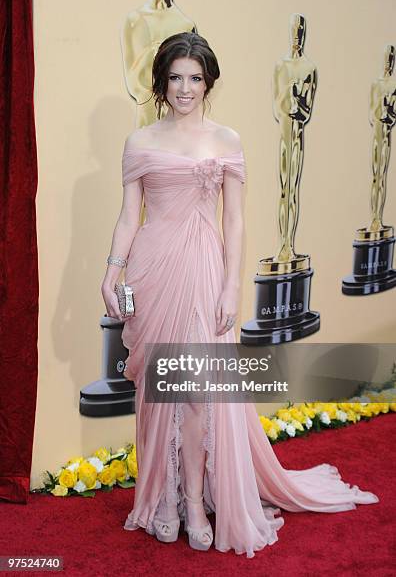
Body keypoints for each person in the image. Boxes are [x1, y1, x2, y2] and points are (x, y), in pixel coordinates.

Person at [101, 32, 379, 558]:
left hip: (205, 271)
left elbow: (235, 222)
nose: (185, 88)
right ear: (161, 80)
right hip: (152, 271)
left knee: (200, 390)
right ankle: (160, 501)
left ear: (209, 83)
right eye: (177, 77)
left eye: (196, 78)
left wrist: (232, 286)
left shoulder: (226, 139)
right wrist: (111, 271)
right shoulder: (140, 143)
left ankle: (197, 501)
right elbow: (126, 217)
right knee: (158, 391)